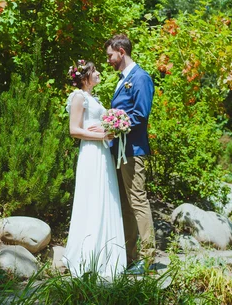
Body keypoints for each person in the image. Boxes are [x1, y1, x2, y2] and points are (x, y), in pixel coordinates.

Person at [62, 60, 127, 279]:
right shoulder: (79, 97)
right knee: (92, 198)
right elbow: (74, 130)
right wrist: (102, 136)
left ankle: (105, 254)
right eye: (94, 71)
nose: (98, 73)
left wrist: (112, 128)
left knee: (104, 198)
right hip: (91, 152)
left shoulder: (93, 98)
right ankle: (86, 255)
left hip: (102, 153)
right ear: (84, 77)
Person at [101, 33, 156, 274]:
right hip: (120, 150)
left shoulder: (140, 78)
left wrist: (115, 125)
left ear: (121, 52)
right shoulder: (122, 79)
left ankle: (147, 257)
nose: (108, 60)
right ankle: (130, 257)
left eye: (110, 55)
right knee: (125, 205)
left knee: (138, 201)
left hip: (133, 151)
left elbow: (140, 115)